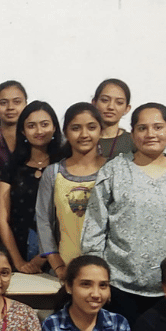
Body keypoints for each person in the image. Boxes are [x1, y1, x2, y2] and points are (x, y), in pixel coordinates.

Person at [82, 102, 166, 325]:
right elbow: (95, 226)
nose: (150, 134)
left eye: (158, 127)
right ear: (133, 133)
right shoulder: (115, 170)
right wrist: (98, 280)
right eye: (142, 128)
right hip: (119, 286)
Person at [36, 103, 108, 281]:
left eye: (91, 127)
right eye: (76, 128)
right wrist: (58, 266)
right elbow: (43, 221)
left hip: (107, 271)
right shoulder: (53, 173)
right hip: (65, 269)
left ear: (101, 131)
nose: (84, 134)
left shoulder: (113, 170)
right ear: (66, 132)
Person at [0, 100, 64, 274]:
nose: (39, 131)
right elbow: (2, 218)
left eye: (45, 124)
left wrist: (43, 257)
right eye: (32, 126)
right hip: (17, 251)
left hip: (60, 256)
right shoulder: (13, 165)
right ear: (23, 131)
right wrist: (18, 261)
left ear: (55, 128)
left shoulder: (65, 165)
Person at [92, 78, 133, 159]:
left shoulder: (134, 142)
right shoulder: (83, 139)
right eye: (105, 100)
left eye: (119, 102)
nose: (111, 107)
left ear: (127, 109)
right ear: (94, 103)